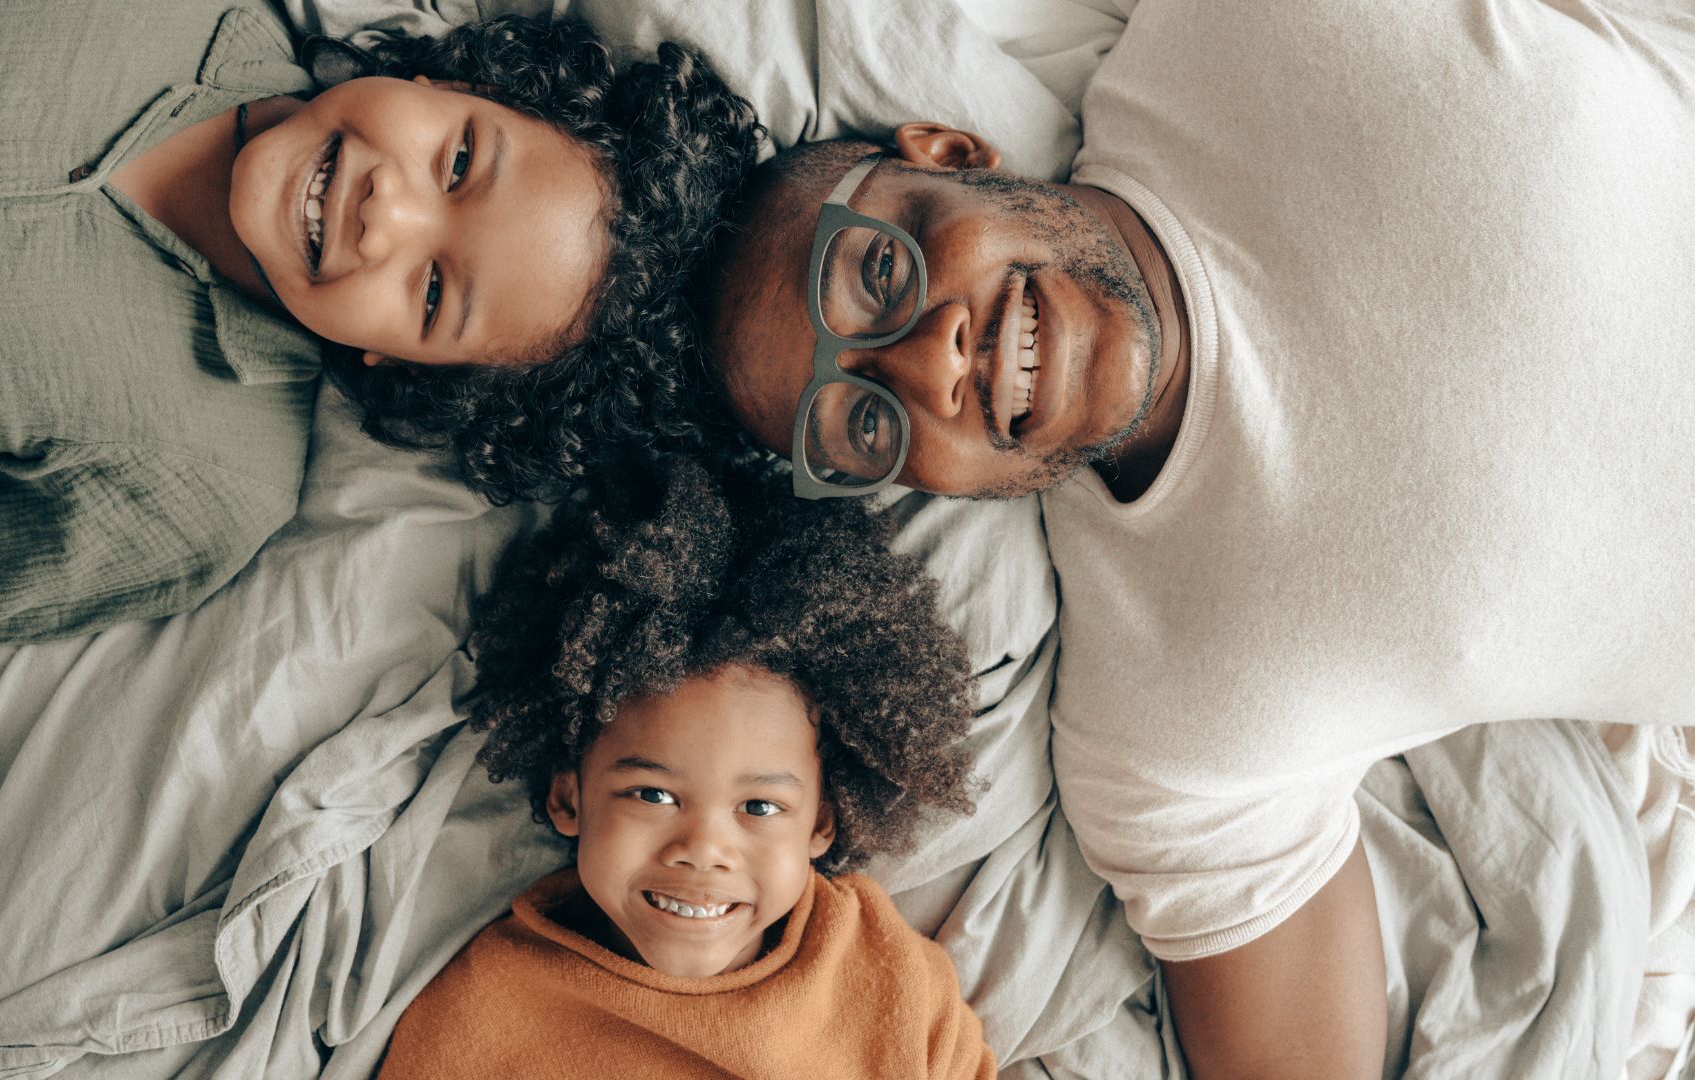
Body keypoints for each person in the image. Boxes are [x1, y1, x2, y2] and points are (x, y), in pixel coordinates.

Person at [685, 2, 1695, 1077]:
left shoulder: (1236, 26)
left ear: (949, 154)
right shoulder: (1163, 724)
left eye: (878, 274)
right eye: (868, 422)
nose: (931, 363)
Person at [0, 0, 758, 666]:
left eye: (429, 295)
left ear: (403, 363)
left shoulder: (205, 485)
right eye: (458, 160)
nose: (388, 215)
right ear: (457, 81)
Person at [374, 457, 996, 1079]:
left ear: (821, 823)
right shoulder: (485, 1011)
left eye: (759, 808)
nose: (702, 849)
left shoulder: (889, 984)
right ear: (569, 798)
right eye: (652, 794)